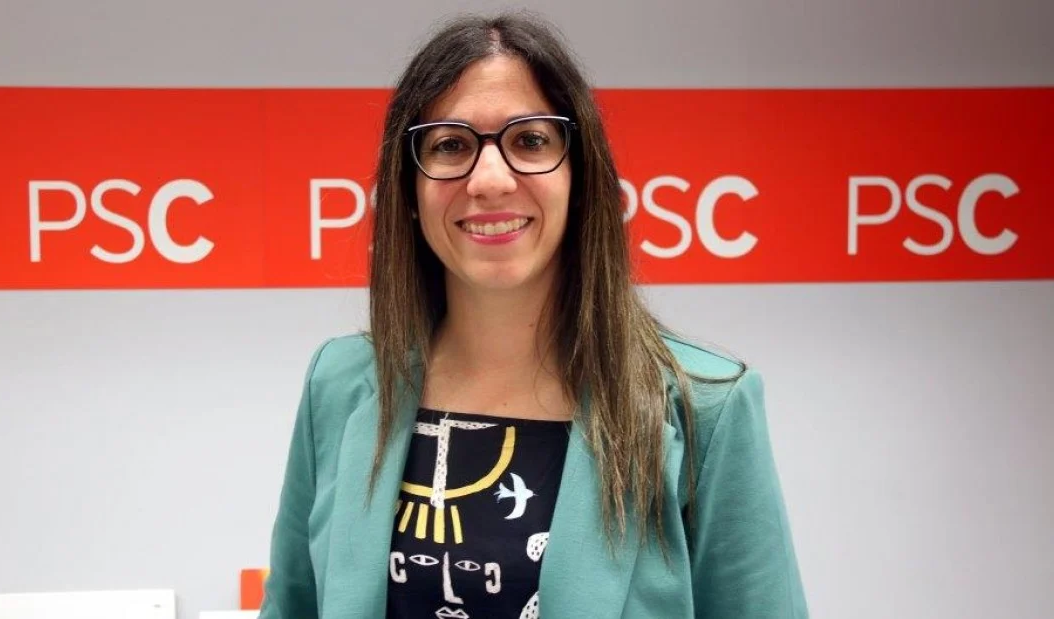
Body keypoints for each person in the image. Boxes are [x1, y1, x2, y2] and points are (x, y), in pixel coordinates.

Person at [259, 10, 807, 619]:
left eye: (530, 141)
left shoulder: (706, 407)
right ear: (408, 189)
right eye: (450, 145)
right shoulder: (337, 385)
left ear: (580, 175)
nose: (490, 180)